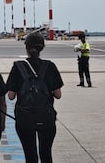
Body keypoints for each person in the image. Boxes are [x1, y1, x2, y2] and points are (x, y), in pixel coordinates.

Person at [6, 32, 63, 163]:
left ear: (27, 48)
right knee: (46, 154)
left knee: (30, 155)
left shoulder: (18, 67)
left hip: (25, 119)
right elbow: (58, 95)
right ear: (41, 48)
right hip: (46, 118)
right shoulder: (50, 66)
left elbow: (10, 96)